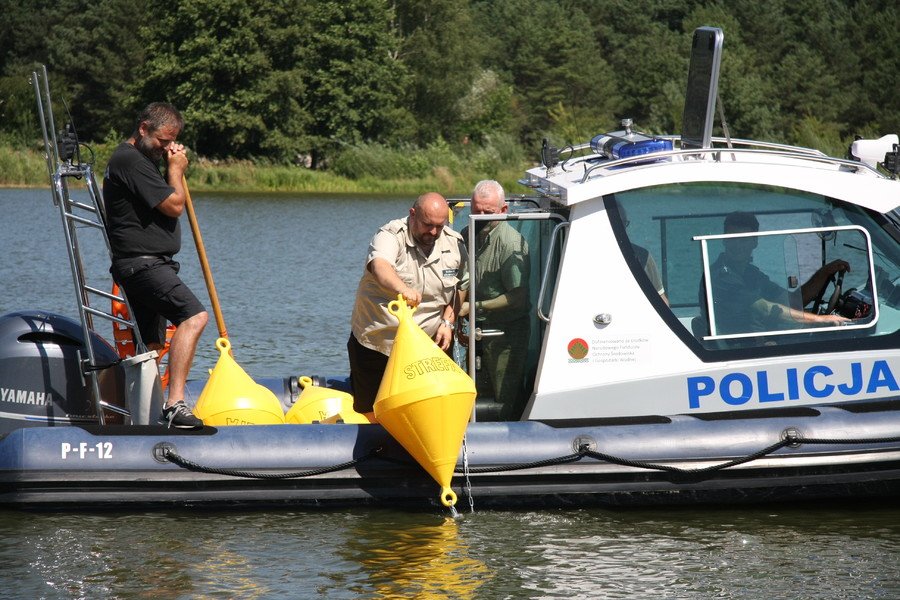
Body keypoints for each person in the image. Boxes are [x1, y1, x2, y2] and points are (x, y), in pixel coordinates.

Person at [103, 102, 209, 428]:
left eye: (171, 142)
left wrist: (167, 166)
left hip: (148, 264)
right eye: (162, 141)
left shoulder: (141, 161)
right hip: (143, 265)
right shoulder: (130, 160)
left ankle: (141, 421)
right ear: (144, 127)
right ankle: (175, 404)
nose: (166, 148)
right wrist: (176, 169)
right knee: (194, 317)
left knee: (148, 347)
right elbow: (174, 205)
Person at [348, 192, 466, 420]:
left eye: (439, 227)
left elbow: (462, 285)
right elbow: (380, 266)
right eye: (427, 225)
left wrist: (447, 321)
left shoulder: (454, 242)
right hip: (379, 342)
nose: (433, 232)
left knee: (431, 408)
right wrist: (402, 289)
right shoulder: (390, 235)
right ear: (413, 215)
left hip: (427, 346)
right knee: (370, 411)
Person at [705, 211, 850, 334]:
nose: (737, 245)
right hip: (740, 348)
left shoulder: (751, 273)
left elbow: (793, 301)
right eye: (732, 239)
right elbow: (765, 308)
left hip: (760, 339)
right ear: (724, 241)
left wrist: (824, 273)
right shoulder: (720, 276)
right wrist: (819, 319)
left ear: (754, 242)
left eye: (743, 239)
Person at [458, 180, 530, 420]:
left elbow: (518, 297)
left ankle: (510, 442)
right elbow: (462, 279)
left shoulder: (511, 244)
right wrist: (459, 321)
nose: (479, 217)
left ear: (503, 211)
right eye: (475, 211)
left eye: (486, 213)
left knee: (503, 396)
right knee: (475, 392)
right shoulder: (468, 232)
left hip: (506, 334)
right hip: (477, 330)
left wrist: (474, 307)